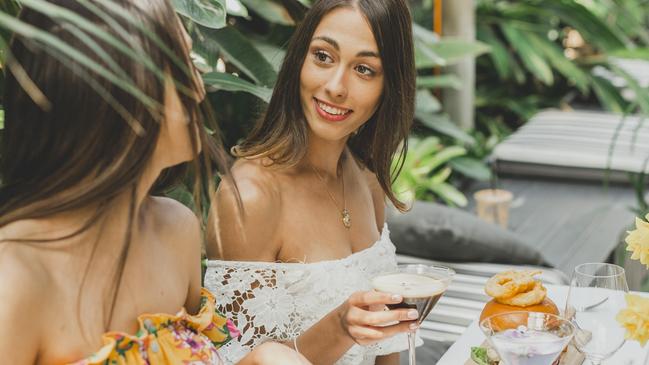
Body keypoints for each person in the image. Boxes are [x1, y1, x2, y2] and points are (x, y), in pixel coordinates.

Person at [0, 1, 307, 364]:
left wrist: (262, 358)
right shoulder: (17, 276)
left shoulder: (176, 229)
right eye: (181, 70)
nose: (199, 88)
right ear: (109, 97)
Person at [204, 0, 417, 364]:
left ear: (389, 86)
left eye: (364, 69)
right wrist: (339, 329)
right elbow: (239, 359)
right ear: (299, 59)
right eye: (322, 56)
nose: (336, 86)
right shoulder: (252, 197)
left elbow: (387, 348)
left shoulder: (365, 178)